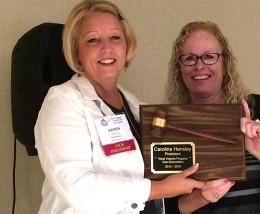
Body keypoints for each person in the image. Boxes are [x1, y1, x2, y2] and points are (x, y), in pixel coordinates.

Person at [34, 1, 206, 213]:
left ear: (127, 46)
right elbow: (78, 188)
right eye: (93, 40)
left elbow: (153, 191)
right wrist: (159, 189)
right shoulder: (62, 102)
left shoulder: (137, 108)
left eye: (115, 37)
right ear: (77, 52)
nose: (106, 48)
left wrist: (204, 189)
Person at [164, 21, 260, 213]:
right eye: (189, 58)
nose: (199, 66)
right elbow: (158, 207)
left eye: (209, 57)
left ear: (225, 62)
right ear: (179, 66)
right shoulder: (168, 124)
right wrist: (199, 197)